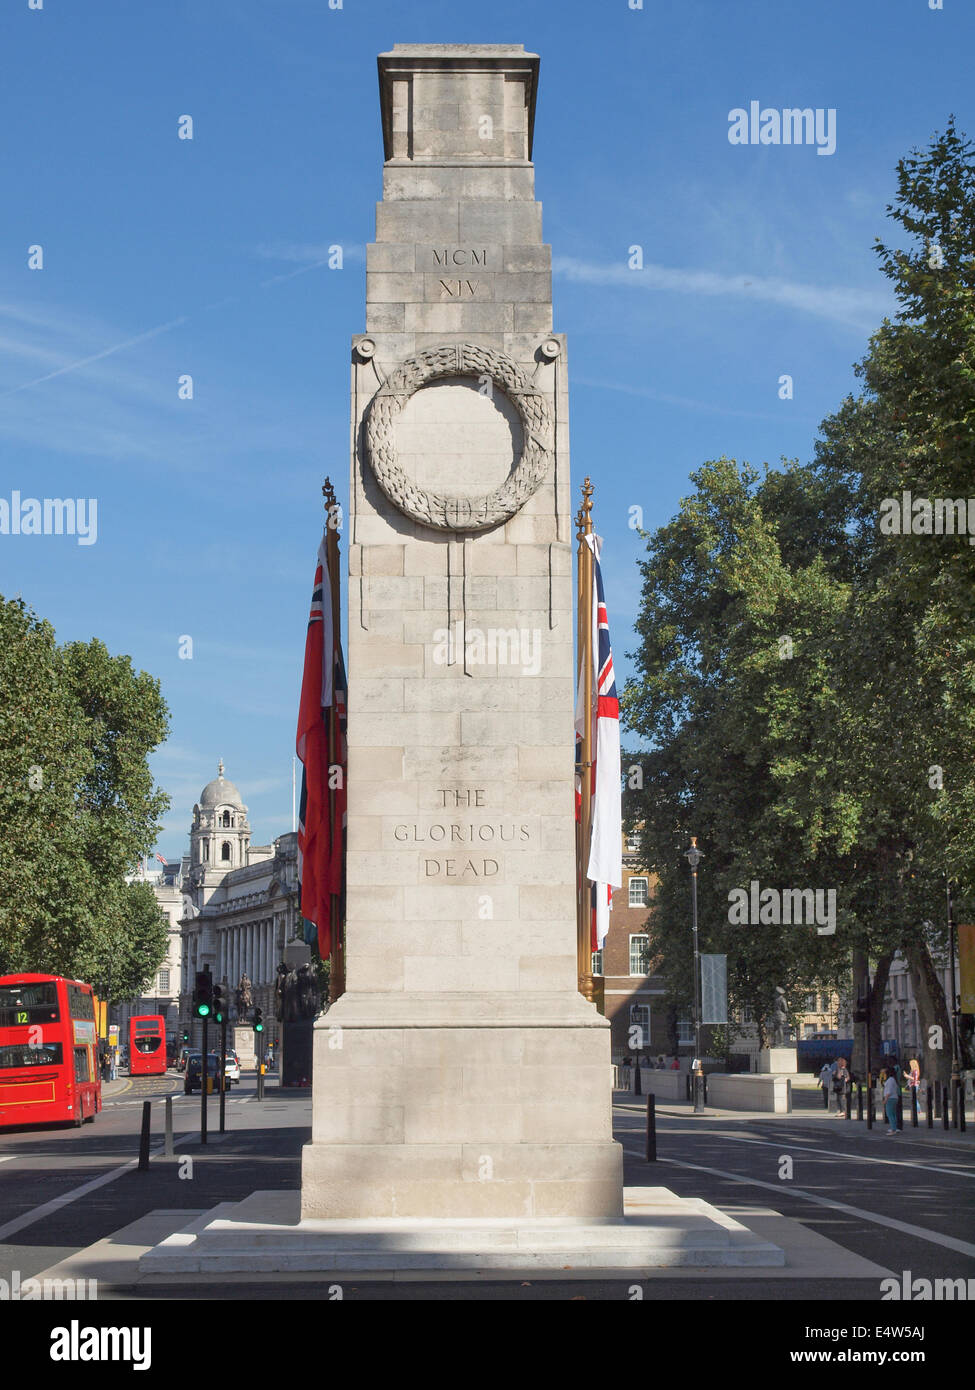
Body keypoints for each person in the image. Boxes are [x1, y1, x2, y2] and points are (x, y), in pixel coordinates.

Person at [883, 1067, 900, 1134]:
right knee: (893, 1114)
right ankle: (894, 1127)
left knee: (890, 1114)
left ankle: (893, 1129)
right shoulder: (893, 1079)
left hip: (890, 1099)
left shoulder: (890, 1080)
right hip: (894, 1098)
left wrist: (885, 1099)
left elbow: (888, 1092)